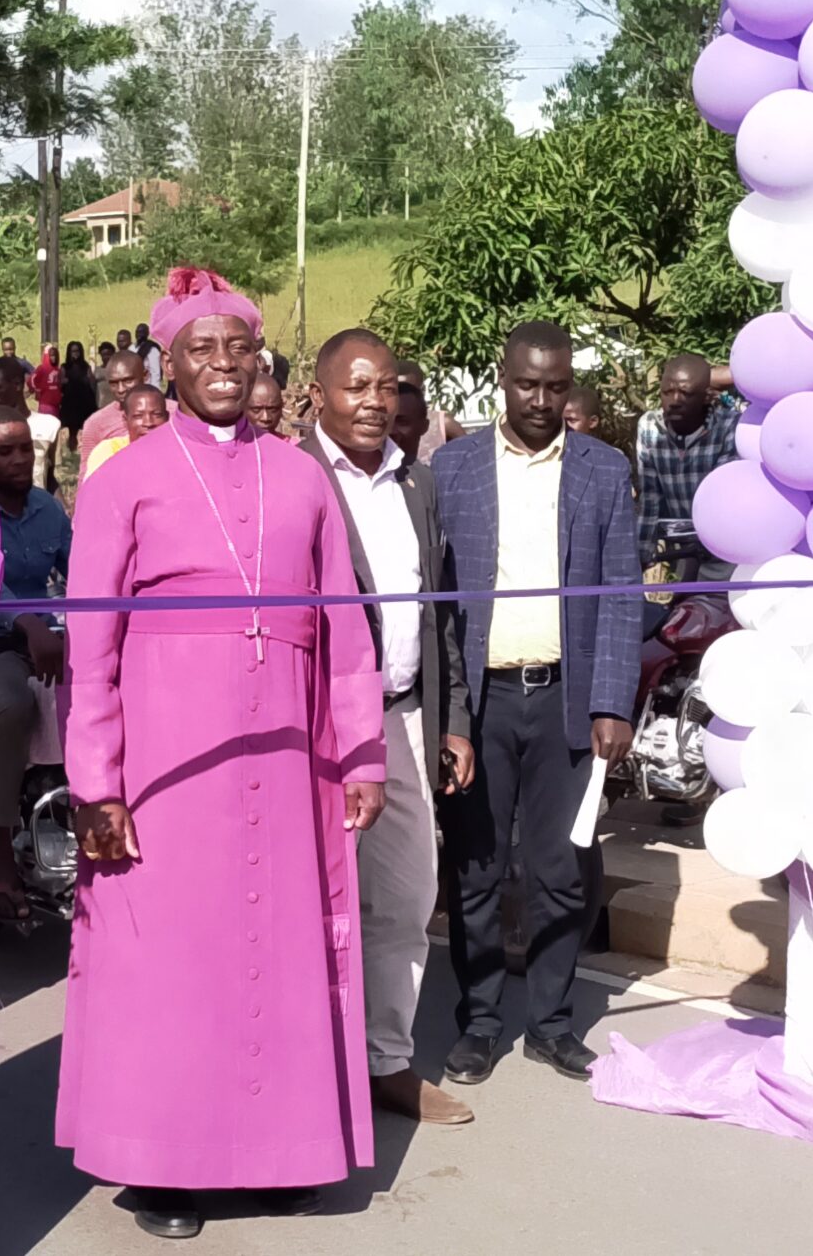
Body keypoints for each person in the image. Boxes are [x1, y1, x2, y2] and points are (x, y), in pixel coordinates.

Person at [60, 266, 385, 1240]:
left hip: (285, 757)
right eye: (200, 349)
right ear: (168, 363)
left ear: (259, 361)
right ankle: (164, 1167)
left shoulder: (301, 475)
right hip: (167, 762)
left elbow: (345, 627)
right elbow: (91, 646)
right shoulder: (122, 478)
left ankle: (279, 1152)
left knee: (277, 951)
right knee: (172, 959)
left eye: (238, 348)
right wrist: (96, 779)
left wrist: (362, 753)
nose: (222, 364)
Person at [432, 321, 640, 1086]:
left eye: (556, 386)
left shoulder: (602, 470)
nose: (542, 400)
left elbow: (621, 594)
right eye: (527, 384)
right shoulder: (451, 469)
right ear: (502, 379)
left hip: (566, 702)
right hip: (479, 705)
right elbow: (437, 602)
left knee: (560, 873)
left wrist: (613, 701)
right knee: (478, 871)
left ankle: (551, 1024)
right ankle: (480, 1022)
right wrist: (448, 714)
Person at [304, 329, 479, 1127]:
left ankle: (387, 1062)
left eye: (387, 387)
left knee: (407, 898)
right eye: (357, 386)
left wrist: (453, 718)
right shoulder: (292, 478)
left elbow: (439, 612)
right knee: (312, 902)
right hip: (316, 731)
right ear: (319, 396)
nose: (375, 402)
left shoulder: (417, 482)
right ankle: (315, 1069)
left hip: (405, 719)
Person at [0, 404, 68, 924]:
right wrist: (27, 621)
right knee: (11, 702)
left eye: (26, 448)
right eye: (5, 451)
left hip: (45, 637)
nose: (21, 459)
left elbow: (82, 571)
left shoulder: (47, 508)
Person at [636, 352, 743, 551]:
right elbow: (650, 496)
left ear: (707, 397)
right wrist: (643, 552)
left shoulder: (728, 426)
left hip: (724, 545)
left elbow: (720, 498)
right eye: (667, 392)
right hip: (679, 545)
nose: (675, 400)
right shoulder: (649, 426)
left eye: (686, 393)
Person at [0, 355, 62, 490]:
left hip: (37, 502)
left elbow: (49, 478)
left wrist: (58, 503)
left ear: (18, 385)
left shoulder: (49, 426)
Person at [79, 383, 166, 478]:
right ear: (125, 420)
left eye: (157, 415)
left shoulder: (176, 451)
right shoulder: (108, 452)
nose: (148, 423)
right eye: (138, 416)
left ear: (167, 418)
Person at [80, 347, 158, 449]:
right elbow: (90, 459)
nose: (121, 390)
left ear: (145, 376)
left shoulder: (172, 413)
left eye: (128, 381)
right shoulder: (95, 424)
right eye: (114, 383)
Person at [59, 338, 98, 455]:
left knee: (86, 427)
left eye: (77, 351)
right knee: (72, 429)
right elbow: (60, 382)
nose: (75, 353)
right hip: (70, 402)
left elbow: (92, 382)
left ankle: (85, 450)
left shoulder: (85, 366)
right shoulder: (65, 367)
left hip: (85, 400)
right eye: (73, 351)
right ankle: (71, 451)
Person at [246, 371, 289, 439]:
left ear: (281, 407)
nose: (265, 418)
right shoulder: (230, 445)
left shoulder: (293, 445)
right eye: (256, 410)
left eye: (273, 409)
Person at [30, 342, 64, 417]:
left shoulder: (58, 370)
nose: (53, 357)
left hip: (56, 406)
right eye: (51, 355)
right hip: (45, 405)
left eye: (55, 355)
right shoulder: (42, 368)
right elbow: (32, 379)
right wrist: (37, 390)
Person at [134, 319, 162, 385]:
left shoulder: (152, 350)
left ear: (147, 334)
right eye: (137, 332)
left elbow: (155, 373)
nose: (139, 334)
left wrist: (154, 388)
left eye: (142, 332)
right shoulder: (132, 348)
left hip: (148, 385)